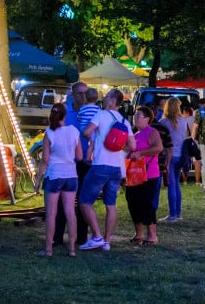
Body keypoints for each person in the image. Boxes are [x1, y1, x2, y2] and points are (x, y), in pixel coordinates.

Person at [79, 89, 135, 252]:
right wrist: (118, 146)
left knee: (85, 201)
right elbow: (133, 146)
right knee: (111, 204)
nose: (103, 98)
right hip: (117, 167)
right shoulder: (124, 121)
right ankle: (107, 241)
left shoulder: (101, 115)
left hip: (100, 165)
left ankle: (96, 236)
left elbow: (86, 132)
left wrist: (93, 137)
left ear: (112, 101)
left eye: (107, 96)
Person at [36, 103, 82, 257]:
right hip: (71, 175)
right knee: (70, 212)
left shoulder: (49, 133)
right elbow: (80, 156)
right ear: (65, 115)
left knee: (51, 213)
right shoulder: (74, 131)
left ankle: (48, 249)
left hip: (54, 174)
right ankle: (72, 249)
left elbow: (45, 159)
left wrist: (37, 181)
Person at [54, 81, 91, 247]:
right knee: (62, 201)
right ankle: (58, 236)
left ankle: (81, 237)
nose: (83, 97)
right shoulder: (64, 112)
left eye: (85, 94)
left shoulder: (92, 112)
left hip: (84, 163)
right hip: (66, 162)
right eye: (79, 94)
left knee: (82, 200)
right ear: (72, 95)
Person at [124, 105, 164, 246]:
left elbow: (158, 148)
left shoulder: (152, 132)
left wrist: (141, 153)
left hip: (148, 174)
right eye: (135, 116)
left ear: (147, 118)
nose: (135, 118)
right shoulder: (135, 135)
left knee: (146, 204)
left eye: (138, 116)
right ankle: (139, 233)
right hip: (133, 175)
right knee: (133, 203)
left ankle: (152, 235)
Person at [160, 97, 188, 220]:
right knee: (176, 184)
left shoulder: (164, 122)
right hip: (180, 155)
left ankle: (172, 215)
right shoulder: (183, 121)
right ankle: (178, 213)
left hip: (169, 156)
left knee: (171, 185)